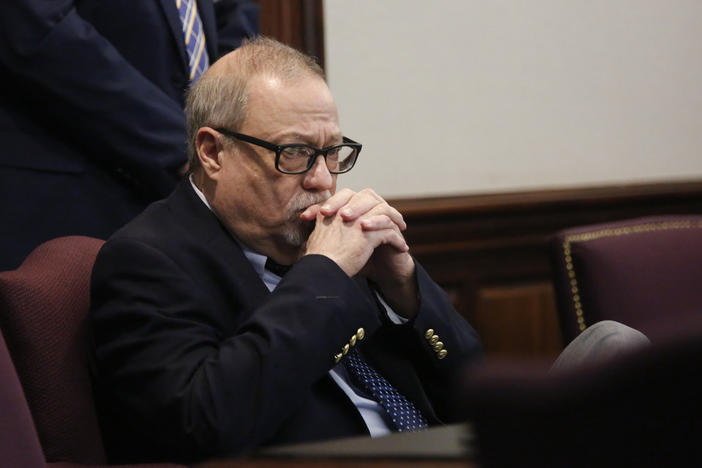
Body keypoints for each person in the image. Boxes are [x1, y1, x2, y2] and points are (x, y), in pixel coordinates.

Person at [89, 36, 483, 463]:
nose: (322, 180)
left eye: (331, 152)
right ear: (213, 152)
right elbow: (205, 424)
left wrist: (406, 291)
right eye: (294, 154)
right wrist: (324, 273)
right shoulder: (147, 261)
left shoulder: (342, 244)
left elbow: (479, 396)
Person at [0, 0, 258, 270]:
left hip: (192, 199)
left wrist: (231, 118)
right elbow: (36, 27)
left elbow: (231, 13)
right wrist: (188, 144)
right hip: (75, 191)